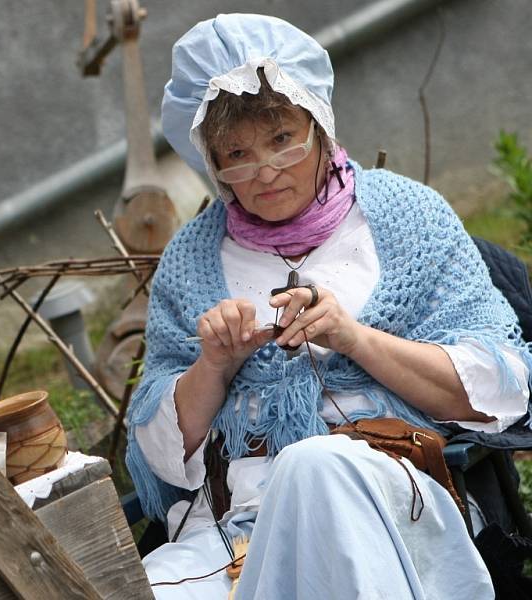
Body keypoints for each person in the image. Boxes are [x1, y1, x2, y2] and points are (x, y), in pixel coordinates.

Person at [125, 13, 532, 599]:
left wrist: (354, 338)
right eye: (236, 153)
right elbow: (157, 453)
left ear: (320, 126)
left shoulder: (408, 219)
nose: (264, 170)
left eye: (283, 139)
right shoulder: (191, 260)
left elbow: (502, 384)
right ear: (212, 165)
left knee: (313, 466)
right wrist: (212, 366)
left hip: (390, 505)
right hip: (239, 530)